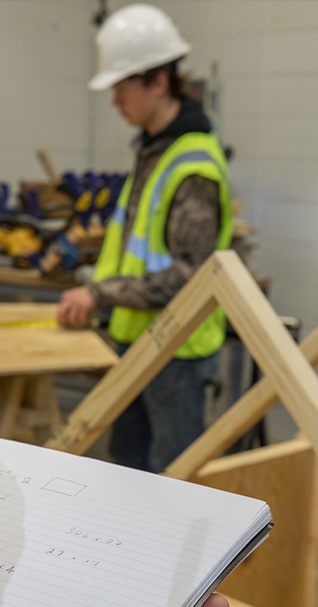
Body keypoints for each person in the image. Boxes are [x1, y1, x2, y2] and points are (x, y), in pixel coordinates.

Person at [57, 4, 233, 475]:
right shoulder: (155, 151)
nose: (115, 101)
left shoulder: (191, 163)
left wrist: (98, 293)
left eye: (122, 87)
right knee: (127, 472)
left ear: (158, 81)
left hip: (177, 354)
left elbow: (187, 277)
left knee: (174, 481)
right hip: (139, 343)